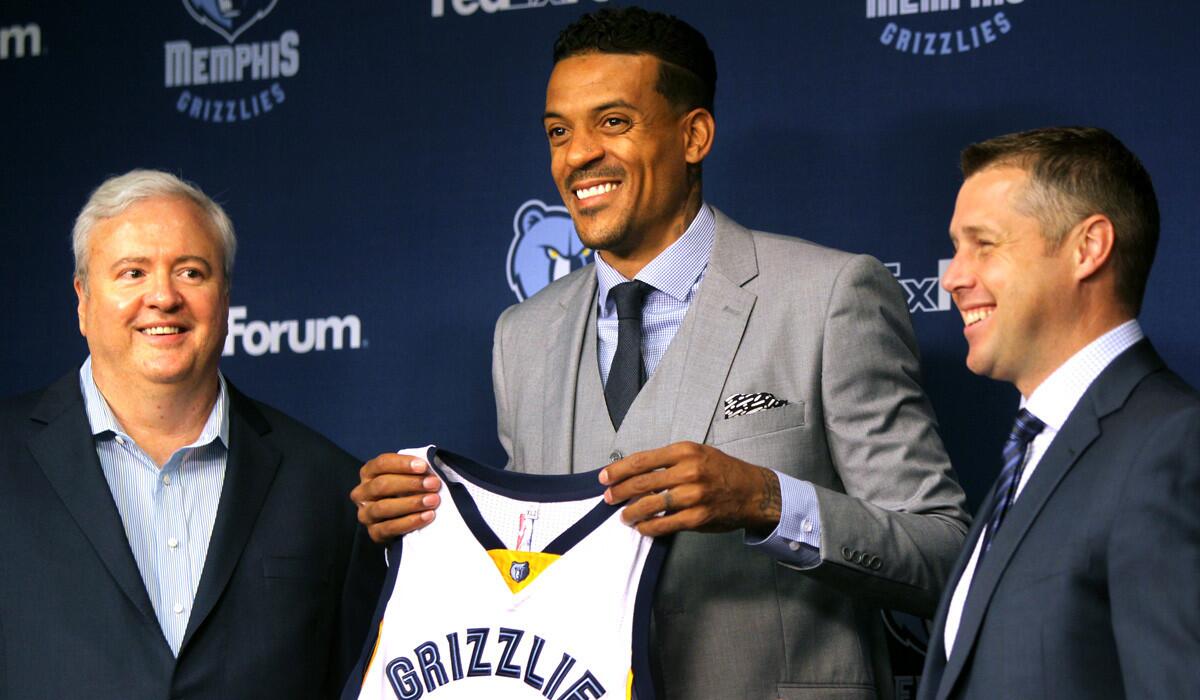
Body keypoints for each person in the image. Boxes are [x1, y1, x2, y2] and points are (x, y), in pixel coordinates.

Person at [354, 8, 969, 699]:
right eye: (559, 131)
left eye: (613, 122)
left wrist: (769, 501)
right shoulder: (521, 335)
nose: (577, 154)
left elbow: (946, 556)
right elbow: (525, 579)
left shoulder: (828, 296)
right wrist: (422, 527)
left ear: (694, 135)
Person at [0, 170, 384, 699]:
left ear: (224, 297)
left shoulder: (329, 485)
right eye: (132, 272)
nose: (163, 296)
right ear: (83, 301)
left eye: (191, 272)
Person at [919, 127, 1200, 699]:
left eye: (985, 244)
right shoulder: (1033, 451)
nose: (952, 276)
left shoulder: (1175, 444)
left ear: (1088, 248)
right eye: (956, 246)